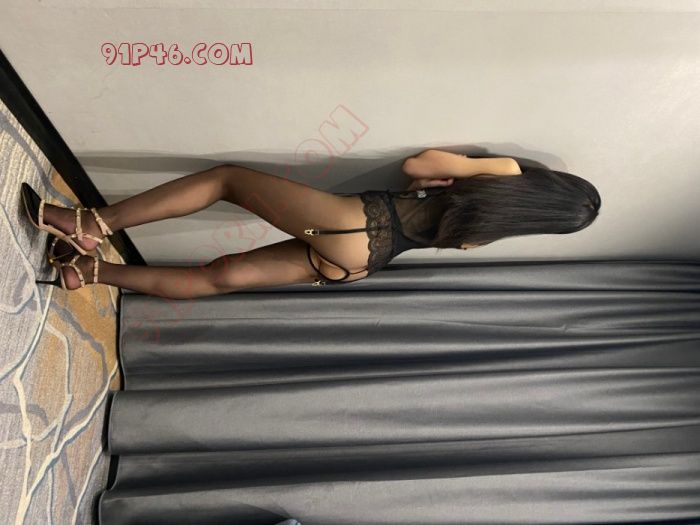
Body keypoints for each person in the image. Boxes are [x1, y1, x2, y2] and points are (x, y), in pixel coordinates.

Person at [22, 149, 601, 298]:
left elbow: (418, 166)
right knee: (217, 279)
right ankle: (86, 274)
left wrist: (467, 169)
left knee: (227, 180)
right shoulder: (495, 230)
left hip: (358, 221)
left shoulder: (506, 174)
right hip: (363, 263)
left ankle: (91, 224)